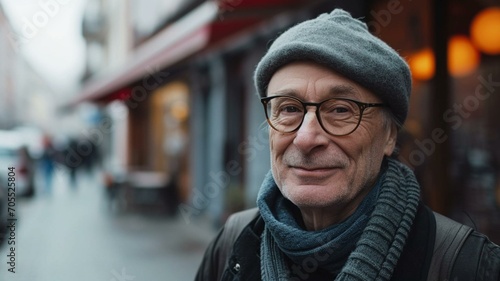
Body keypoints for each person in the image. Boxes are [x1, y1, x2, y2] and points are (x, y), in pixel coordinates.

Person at [195, 9, 500, 281]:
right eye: (288, 109)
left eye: (340, 109)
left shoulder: (465, 264)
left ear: (389, 136)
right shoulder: (232, 243)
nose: (306, 138)